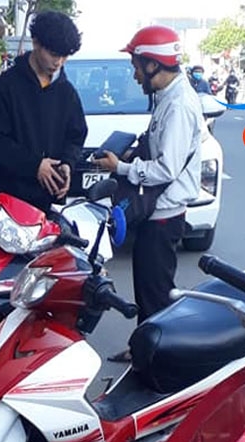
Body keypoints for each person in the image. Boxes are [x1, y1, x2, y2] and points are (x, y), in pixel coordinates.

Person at [93, 25, 204, 362]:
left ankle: (156, 363)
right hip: (157, 213)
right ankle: (143, 348)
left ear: (153, 63)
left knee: (156, 293)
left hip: (165, 214)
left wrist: (122, 168)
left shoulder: (179, 105)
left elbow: (166, 169)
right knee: (147, 287)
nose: (135, 74)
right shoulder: (168, 97)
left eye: (137, 66)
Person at [0, 10, 87, 213]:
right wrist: (35, 165)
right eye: (54, 54)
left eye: (64, 56)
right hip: (11, 201)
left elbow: (76, 136)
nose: (58, 62)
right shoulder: (6, 86)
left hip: (51, 202)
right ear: (36, 43)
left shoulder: (67, 92)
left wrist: (68, 164)